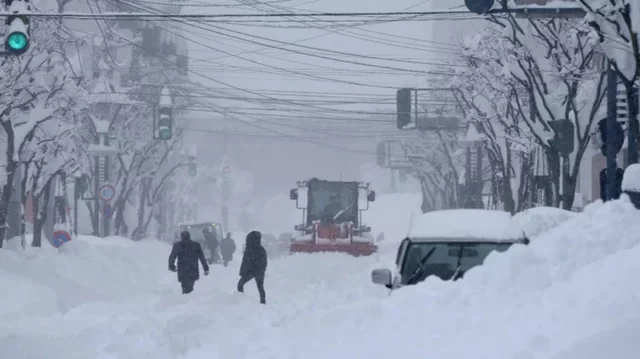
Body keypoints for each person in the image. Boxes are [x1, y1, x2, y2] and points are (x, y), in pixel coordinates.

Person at [237, 230, 267, 304]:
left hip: (250, 271)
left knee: (240, 284)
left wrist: (243, 272)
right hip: (259, 271)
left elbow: (245, 262)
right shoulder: (261, 249)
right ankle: (263, 302)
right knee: (260, 287)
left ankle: (240, 300)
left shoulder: (249, 249)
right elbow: (264, 262)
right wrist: (262, 270)